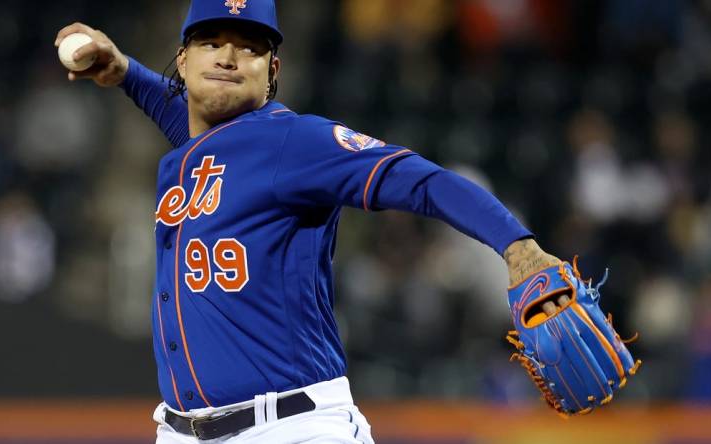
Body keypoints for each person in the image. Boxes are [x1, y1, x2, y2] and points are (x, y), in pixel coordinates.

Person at [56, 1, 562, 442]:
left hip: (291, 428)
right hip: (181, 431)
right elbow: (187, 113)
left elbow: (422, 180)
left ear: (272, 71)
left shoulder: (295, 143)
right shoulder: (193, 150)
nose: (229, 57)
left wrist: (517, 247)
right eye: (211, 42)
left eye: (250, 48)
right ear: (183, 62)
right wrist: (124, 72)